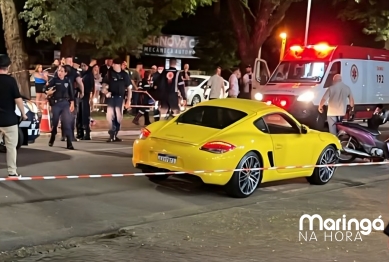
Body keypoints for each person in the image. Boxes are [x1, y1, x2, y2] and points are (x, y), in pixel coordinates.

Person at [0, 54, 27, 178]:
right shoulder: (11, 81)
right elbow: (18, 99)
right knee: (11, 147)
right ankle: (12, 172)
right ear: (8, 67)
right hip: (9, 120)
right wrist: (23, 113)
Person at [45, 66, 75, 149]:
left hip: (65, 103)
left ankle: (69, 143)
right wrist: (47, 92)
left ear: (65, 73)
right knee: (55, 123)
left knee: (67, 123)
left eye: (62, 71)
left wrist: (72, 102)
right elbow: (45, 88)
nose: (60, 73)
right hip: (56, 104)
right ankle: (52, 138)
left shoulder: (67, 81)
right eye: (59, 71)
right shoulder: (54, 80)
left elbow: (71, 92)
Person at [101, 58, 132, 142]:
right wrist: (106, 92)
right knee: (110, 116)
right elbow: (103, 85)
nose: (112, 65)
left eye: (114, 64)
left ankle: (115, 133)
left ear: (118, 65)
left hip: (120, 98)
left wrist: (128, 100)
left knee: (119, 117)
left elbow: (129, 88)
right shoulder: (109, 73)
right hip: (111, 97)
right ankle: (112, 134)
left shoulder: (125, 75)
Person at [77, 61, 95, 140]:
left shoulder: (89, 75)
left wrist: (91, 97)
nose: (83, 67)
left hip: (86, 96)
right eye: (82, 65)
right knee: (79, 115)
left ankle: (86, 133)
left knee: (85, 114)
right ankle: (79, 132)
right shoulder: (81, 74)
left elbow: (92, 86)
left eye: (84, 65)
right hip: (79, 96)